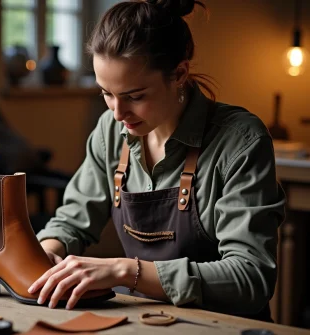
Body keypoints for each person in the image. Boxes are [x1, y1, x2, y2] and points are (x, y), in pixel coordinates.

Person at [28, 0, 286, 322]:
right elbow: (71, 221)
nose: (117, 113)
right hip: (144, 321)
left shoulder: (240, 141)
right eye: (106, 93)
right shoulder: (111, 131)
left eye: (135, 96)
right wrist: (47, 252)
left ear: (179, 74)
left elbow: (251, 278)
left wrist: (125, 270)